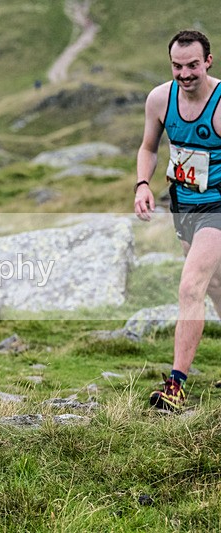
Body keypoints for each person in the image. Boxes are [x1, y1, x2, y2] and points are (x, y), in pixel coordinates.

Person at [135, 29, 221, 410]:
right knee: (215, 286)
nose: (185, 74)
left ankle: (176, 386)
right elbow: (148, 147)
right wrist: (142, 184)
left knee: (190, 287)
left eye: (192, 65)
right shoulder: (160, 99)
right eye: (177, 66)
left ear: (208, 62)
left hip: (217, 207)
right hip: (183, 205)